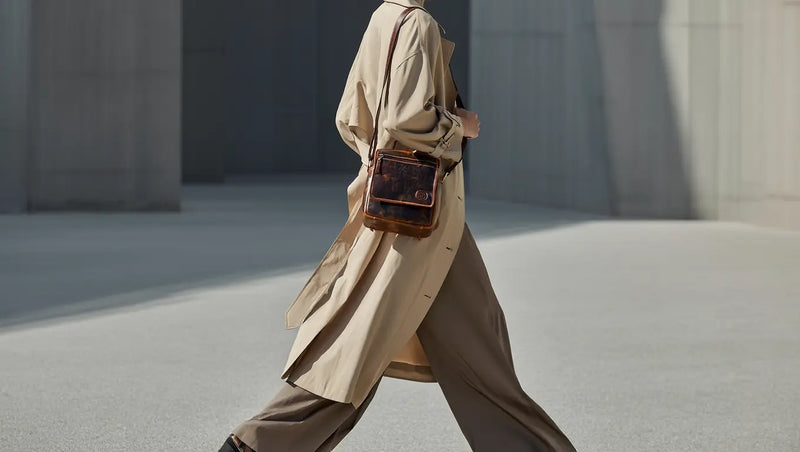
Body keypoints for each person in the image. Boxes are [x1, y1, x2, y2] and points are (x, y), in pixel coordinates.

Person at [219, 1, 576, 451]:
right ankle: (255, 445)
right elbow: (406, 119)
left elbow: (350, 115)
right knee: (358, 353)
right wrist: (459, 126)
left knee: (474, 353)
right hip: (422, 218)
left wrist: (377, 160)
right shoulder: (418, 23)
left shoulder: (383, 17)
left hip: (410, 214)